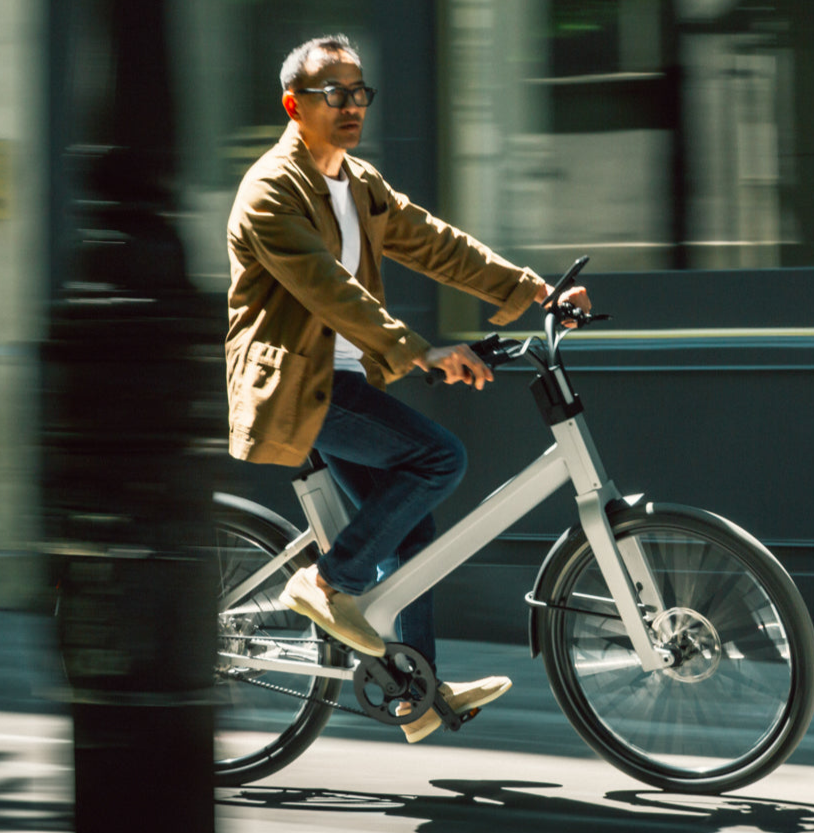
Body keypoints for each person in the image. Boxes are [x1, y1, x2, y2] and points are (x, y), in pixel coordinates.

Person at [224, 34, 589, 743]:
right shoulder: (271, 190)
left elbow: (435, 243)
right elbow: (330, 291)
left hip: (344, 380)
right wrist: (420, 351)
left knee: (412, 531)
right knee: (438, 458)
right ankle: (324, 584)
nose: (352, 105)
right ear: (294, 106)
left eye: (360, 92)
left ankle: (413, 694)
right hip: (294, 384)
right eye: (335, 93)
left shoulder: (360, 184)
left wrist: (534, 291)